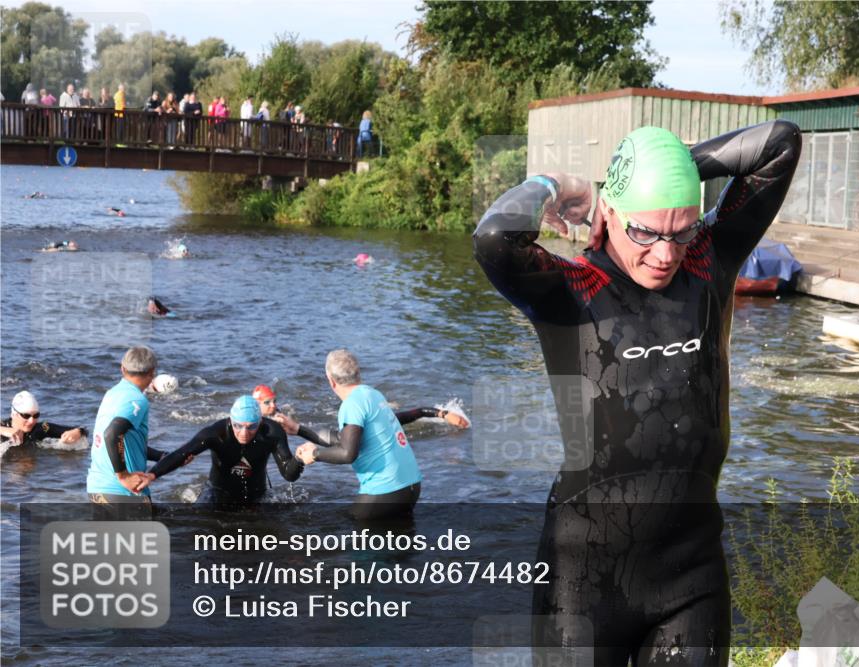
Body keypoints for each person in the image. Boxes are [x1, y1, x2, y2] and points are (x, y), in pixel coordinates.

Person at [473, 120, 802, 665]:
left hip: (691, 576)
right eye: (645, 232)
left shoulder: (709, 263)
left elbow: (779, 144)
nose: (666, 253)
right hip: (582, 578)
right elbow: (493, 239)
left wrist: (670, 165)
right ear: (607, 213)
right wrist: (558, 184)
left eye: (682, 229)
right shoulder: (569, 289)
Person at [293, 350, 435, 520]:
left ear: (330, 380)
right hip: (411, 486)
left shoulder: (351, 405)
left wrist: (315, 455)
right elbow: (344, 438)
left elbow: (348, 453)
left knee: (352, 534)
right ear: (358, 373)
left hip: (385, 491)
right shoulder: (372, 394)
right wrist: (298, 429)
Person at [147, 395, 303, 505]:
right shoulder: (216, 433)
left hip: (257, 494)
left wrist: (299, 459)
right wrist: (152, 475)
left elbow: (289, 474)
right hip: (217, 492)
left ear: (260, 422)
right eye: (238, 425)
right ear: (231, 420)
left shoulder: (272, 432)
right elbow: (181, 453)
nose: (244, 433)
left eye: (251, 427)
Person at [254, 382, 469, 447]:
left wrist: (443, 413)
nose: (273, 405)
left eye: (274, 401)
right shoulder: (255, 421)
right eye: (267, 402)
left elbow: (416, 413)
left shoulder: (387, 420)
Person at [86, 346, 166, 504]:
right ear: (152, 372)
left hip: (98, 488)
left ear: (122, 369)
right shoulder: (137, 399)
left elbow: (122, 442)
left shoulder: (112, 393)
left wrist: (161, 457)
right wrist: (123, 476)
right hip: (123, 492)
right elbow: (112, 434)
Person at [1, 391, 87, 447]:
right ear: (14, 414)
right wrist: (4, 430)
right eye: (26, 416)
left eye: (36, 415)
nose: (31, 421)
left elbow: (83, 430)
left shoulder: (43, 427)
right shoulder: (2, 426)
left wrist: (78, 432)